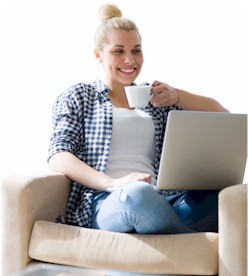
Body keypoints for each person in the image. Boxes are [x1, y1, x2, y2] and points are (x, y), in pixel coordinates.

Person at [48, 4, 229, 234]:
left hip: (163, 199)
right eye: (118, 51)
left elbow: (222, 116)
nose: (129, 60)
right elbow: (58, 156)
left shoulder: (155, 98)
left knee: (225, 197)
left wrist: (178, 95)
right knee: (136, 195)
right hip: (108, 200)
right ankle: (185, 244)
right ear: (98, 55)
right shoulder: (81, 96)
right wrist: (113, 183)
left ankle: (160, 239)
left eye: (136, 50)